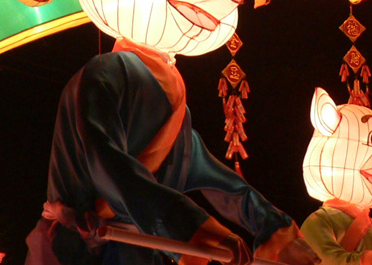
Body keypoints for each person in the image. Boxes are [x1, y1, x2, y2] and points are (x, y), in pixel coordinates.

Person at [26, 37, 318, 265]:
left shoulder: (176, 114)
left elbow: (217, 180)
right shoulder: (105, 71)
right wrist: (194, 229)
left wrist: (273, 228)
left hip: (138, 250)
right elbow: (109, 165)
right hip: (79, 250)